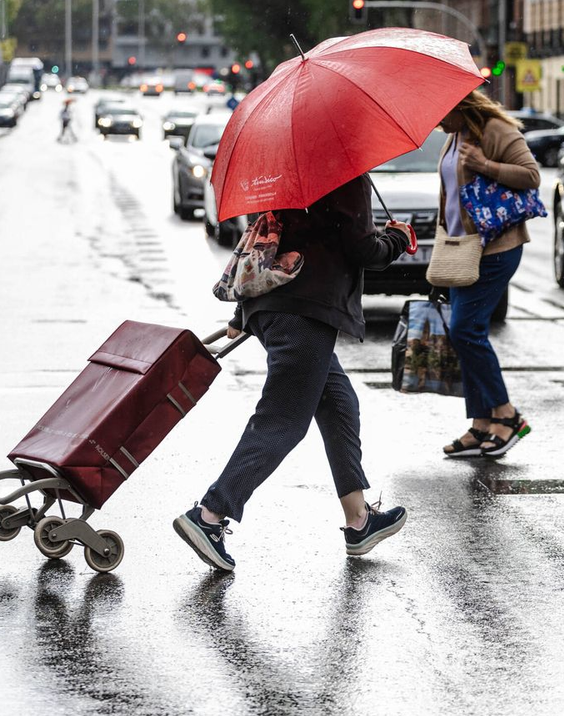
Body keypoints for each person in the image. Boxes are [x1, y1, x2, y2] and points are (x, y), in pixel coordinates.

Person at [174, 173, 414, 571]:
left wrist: (242, 313)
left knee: (338, 403)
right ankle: (211, 514)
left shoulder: (286, 171)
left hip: (272, 306)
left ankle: (359, 521)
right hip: (304, 314)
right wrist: (397, 239)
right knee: (283, 420)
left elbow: (269, 236)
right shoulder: (345, 176)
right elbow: (363, 249)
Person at [436, 89, 541, 458]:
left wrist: (485, 165)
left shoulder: (495, 130)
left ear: (459, 104)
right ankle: (481, 424)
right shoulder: (454, 137)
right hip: (461, 251)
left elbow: (531, 175)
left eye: (440, 112)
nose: (436, 121)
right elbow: (449, 197)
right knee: (464, 332)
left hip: (496, 247)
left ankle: (507, 415)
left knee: (466, 329)